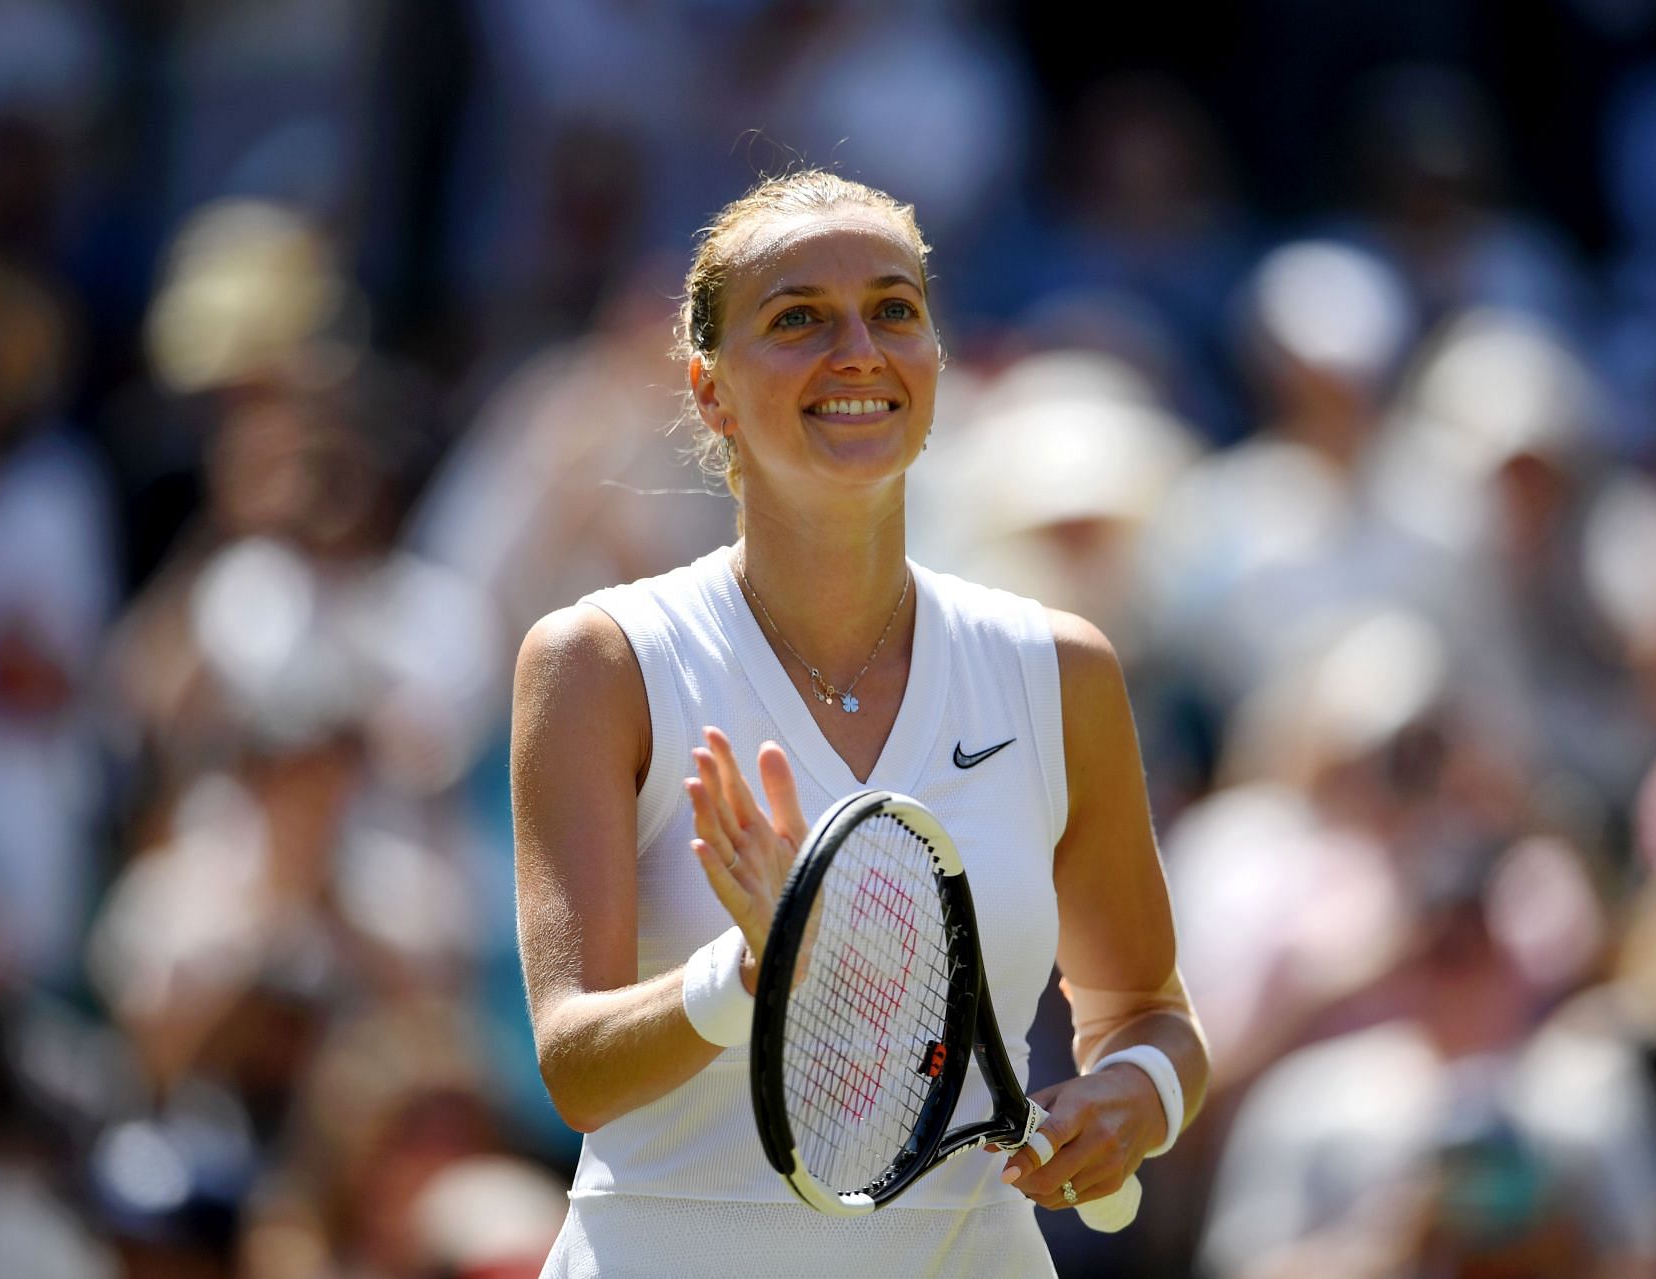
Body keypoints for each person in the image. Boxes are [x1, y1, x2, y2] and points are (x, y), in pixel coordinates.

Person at [511, 170, 1209, 1278]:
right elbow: (573, 1065)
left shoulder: (1058, 669)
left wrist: (1139, 1095)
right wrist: (752, 973)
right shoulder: (597, 663)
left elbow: (1146, 1012)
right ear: (709, 390)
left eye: (894, 310)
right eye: (797, 319)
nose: (858, 350)